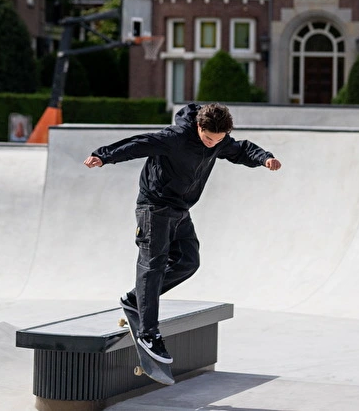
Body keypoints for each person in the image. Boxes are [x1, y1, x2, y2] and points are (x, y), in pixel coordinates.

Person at [83, 102, 280, 365]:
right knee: (153, 266)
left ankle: (136, 298)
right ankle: (148, 334)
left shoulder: (220, 141)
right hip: (154, 208)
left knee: (188, 261)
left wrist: (264, 158)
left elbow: (241, 149)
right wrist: (104, 155)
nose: (212, 144)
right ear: (199, 126)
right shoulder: (174, 138)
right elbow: (139, 144)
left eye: (217, 140)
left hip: (180, 211)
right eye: (208, 139)